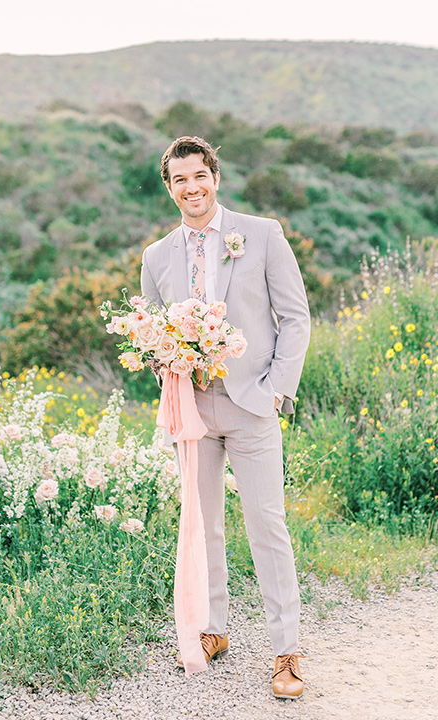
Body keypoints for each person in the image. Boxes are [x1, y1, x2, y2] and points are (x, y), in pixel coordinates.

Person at [140, 136, 310, 699]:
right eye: (179, 180)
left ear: (215, 175)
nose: (192, 187)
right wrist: (165, 363)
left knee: (267, 527)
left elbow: (295, 317)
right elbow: (153, 337)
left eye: (200, 175)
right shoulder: (157, 256)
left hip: (252, 404)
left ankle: (286, 650)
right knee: (203, 525)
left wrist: (273, 391)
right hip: (193, 412)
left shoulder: (261, 234)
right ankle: (212, 630)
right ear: (169, 188)